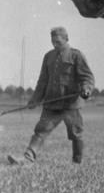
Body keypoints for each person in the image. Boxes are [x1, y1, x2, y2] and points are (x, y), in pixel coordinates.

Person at [8, 27, 94, 165]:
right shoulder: (48, 56)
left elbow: (87, 77)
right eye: (53, 41)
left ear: (66, 39)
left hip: (71, 104)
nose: (55, 44)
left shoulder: (76, 56)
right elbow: (42, 81)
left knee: (76, 133)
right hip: (51, 103)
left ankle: (77, 162)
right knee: (41, 130)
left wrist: (86, 89)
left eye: (58, 42)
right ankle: (28, 158)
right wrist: (35, 99)